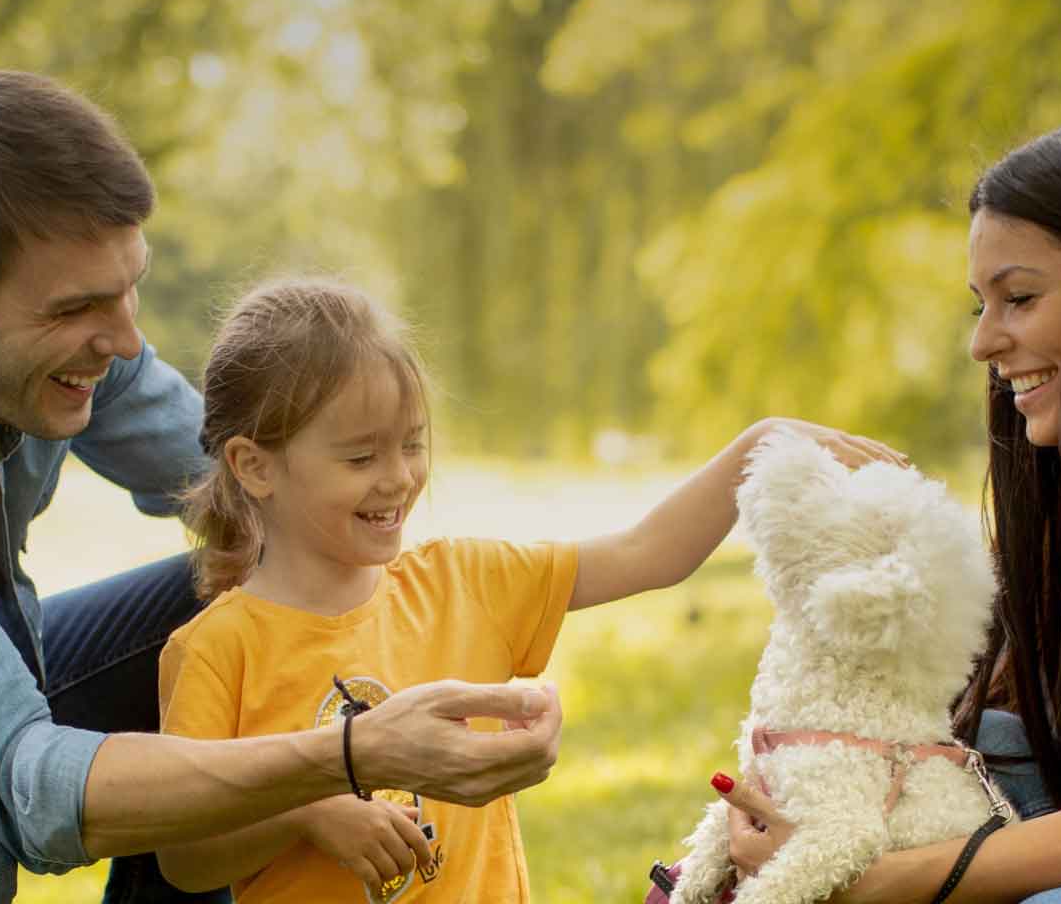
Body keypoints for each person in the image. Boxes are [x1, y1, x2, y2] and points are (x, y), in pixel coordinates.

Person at [0, 71, 566, 904]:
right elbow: (20, 776)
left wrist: (397, 603)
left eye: (130, 288)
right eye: (77, 309)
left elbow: (252, 492)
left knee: (247, 609)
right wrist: (345, 756)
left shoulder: (57, 324)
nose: (125, 341)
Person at [153, 275, 905, 902]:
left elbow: (646, 553)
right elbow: (185, 856)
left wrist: (756, 448)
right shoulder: (216, 650)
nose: (399, 478)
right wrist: (306, 813)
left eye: (412, 445)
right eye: (360, 458)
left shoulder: (462, 582)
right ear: (255, 467)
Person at [717, 117, 1061, 903]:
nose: (983, 343)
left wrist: (871, 883)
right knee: (980, 742)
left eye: (1018, 298)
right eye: (979, 306)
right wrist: (804, 801)